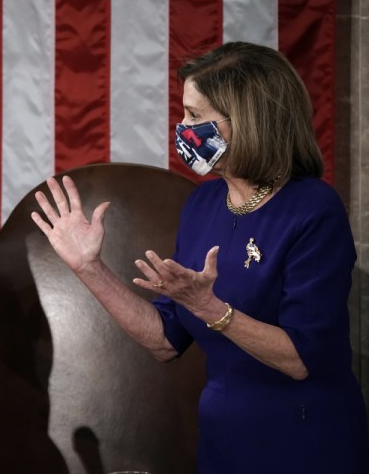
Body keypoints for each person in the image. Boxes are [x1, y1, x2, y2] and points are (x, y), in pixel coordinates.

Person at [31, 41, 369, 473]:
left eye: (195, 115)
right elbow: (164, 339)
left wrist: (211, 308)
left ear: (248, 120)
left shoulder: (313, 208)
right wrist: (88, 268)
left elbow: (301, 360)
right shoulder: (204, 203)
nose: (183, 127)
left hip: (303, 441)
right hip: (223, 442)